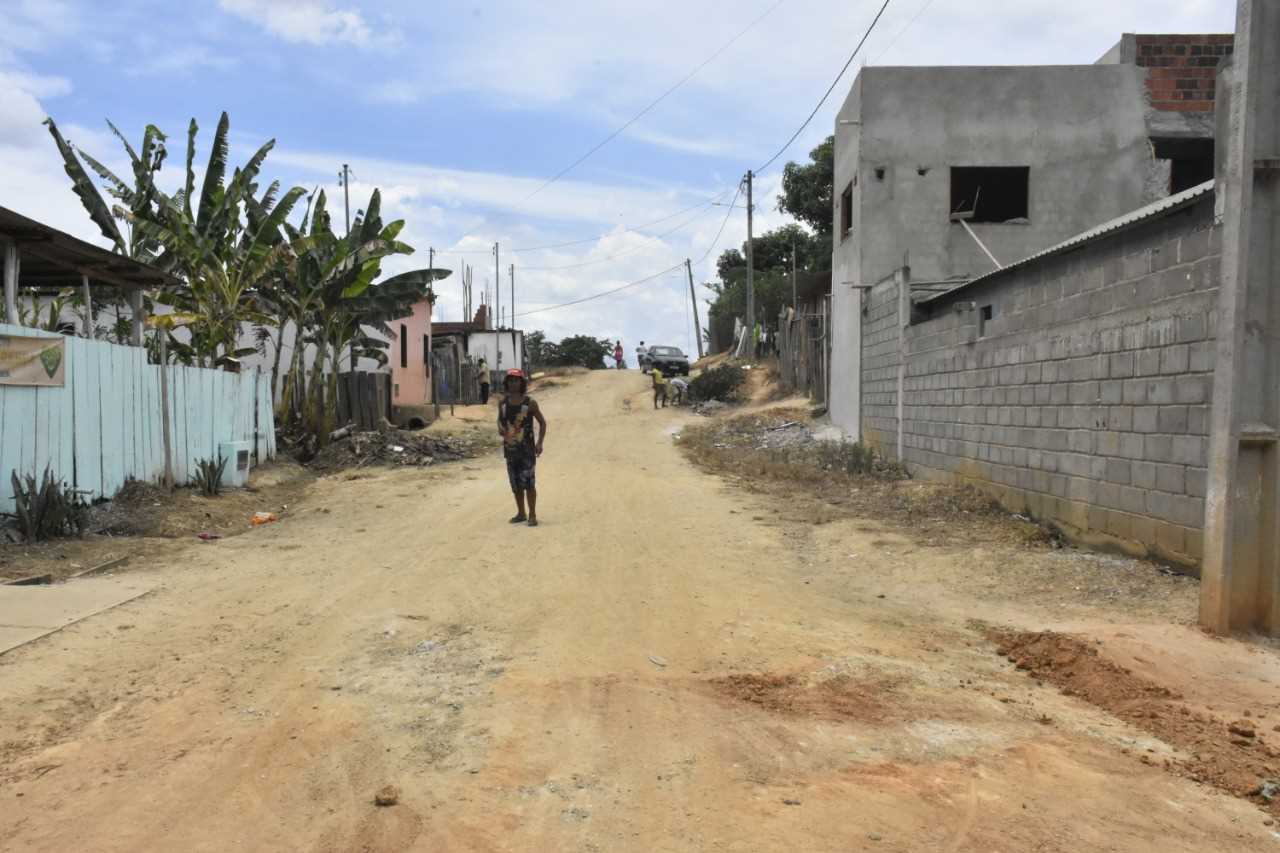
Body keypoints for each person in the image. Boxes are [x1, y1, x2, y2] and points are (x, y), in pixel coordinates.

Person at [498, 369, 546, 527]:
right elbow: (499, 421)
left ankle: (532, 514)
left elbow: (543, 423)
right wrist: (500, 428)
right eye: (510, 380)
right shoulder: (503, 403)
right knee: (516, 484)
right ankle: (521, 513)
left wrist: (539, 443)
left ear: (522, 383)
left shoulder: (530, 403)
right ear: (507, 383)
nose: (513, 383)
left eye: (516, 380)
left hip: (527, 452)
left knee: (529, 484)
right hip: (510, 451)